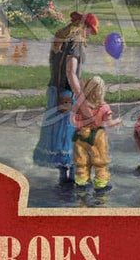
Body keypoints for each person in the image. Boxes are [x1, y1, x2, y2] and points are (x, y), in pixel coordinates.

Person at [32, 11, 97, 181]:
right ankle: (76, 178)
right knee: (71, 134)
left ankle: (63, 176)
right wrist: (81, 97)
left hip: (55, 91)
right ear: (83, 27)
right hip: (68, 93)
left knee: (60, 135)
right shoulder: (76, 44)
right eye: (89, 30)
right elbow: (70, 72)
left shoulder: (60, 41)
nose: (89, 34)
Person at [72, 75, 118, 190]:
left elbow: (73, 121)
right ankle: (100, 184)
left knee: (81, 160)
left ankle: (81, 182)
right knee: (100, 160)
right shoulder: (104, 107)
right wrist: (118, 121)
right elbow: (110, 123)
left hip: (80, 135)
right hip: (97, 135)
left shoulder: (80, 105)